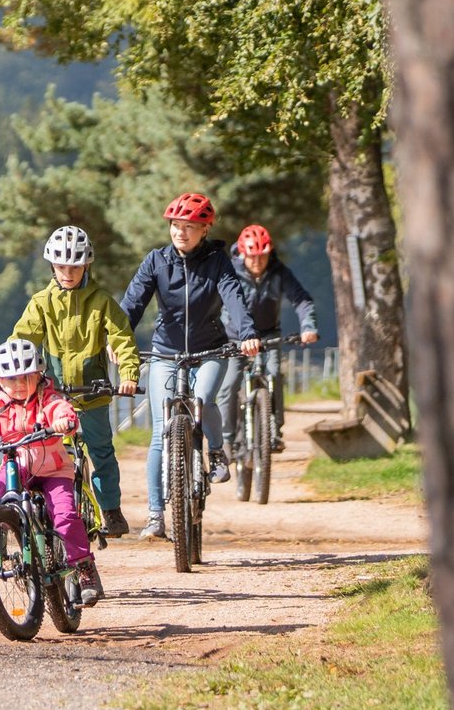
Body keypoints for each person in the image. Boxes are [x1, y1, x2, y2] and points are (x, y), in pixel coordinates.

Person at [118, 192, 259, 539]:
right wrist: (117, 339)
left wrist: (247, 333)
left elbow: (233, 299)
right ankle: (155, 516)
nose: (181, 233)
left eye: (190, 227)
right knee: (158, 435)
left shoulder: (218, 262)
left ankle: (216, 450)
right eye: (176, 226)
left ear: (205, 229)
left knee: (203, 397)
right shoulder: (156, 261)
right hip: (165, 352)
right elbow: (133, 303)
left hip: (210, 349)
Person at [0, 338, 103, 605]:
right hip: (17, 468)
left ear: (39, 375)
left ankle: (84, 567)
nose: (18, 385)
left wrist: (65, 421)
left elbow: (60, 410)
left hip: (53, 470)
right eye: (10, 379)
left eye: (25, 378)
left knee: (64, 515)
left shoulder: (48, 400)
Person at [11, 225, 142, 538]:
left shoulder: (102, 302)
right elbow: (23, 338)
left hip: (93, 392)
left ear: (87, 264)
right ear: (52, 266)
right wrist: (9, 372)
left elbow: (122, 338)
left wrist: (128, 375)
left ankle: (111, 510)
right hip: (53, 396)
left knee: (101, 452)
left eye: (74, 265)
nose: (67, 272)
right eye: (60, 266)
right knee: (48, 453)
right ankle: (48, 509)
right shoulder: (42, 302)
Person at [227, 223, 320, 454]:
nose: (257, 261)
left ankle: (274, 430)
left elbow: (301, 300)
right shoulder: (229, 273)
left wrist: (308, 327)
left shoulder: (279, 272)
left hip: (269, 335)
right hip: (234, 338)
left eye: (262, 256)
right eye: (252, 256)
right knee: (228, 385)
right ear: (242, 254)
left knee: (275, 374)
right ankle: (228, 440)